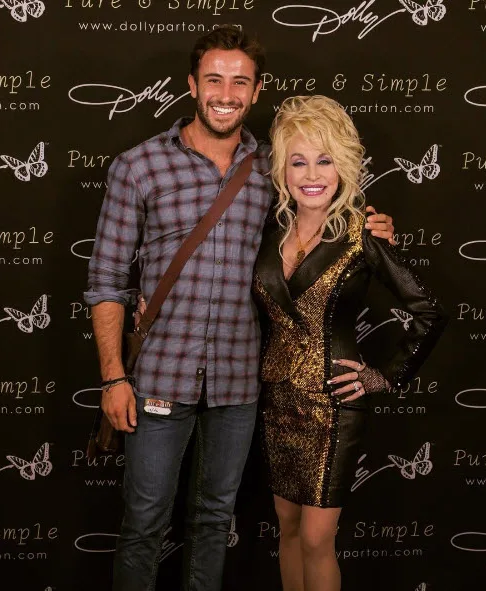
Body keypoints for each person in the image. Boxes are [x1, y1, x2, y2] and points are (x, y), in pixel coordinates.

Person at [83, 28, 396, 591]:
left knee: (213, 522)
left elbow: (319, 209)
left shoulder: (274, 168)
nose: (225, 94)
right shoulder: (139, 166)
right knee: (144, 523)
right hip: (158, 377)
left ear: (256, 91)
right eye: (214, 80)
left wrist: (369, 226)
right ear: (192, 85)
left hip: (239, 385)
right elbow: (106, 280)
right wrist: (113, 377)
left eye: (239, 82)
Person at [252, 95, 447, 591]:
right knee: (287, 529)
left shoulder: (363, 234)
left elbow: (429, 312)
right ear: (282, 170)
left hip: (332, 406)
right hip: (276, 403)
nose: (311, 174)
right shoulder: (267, 230)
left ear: (343, 166)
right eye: (298, 161)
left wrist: (383, 376)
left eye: (324, 160)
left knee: (317, 538)